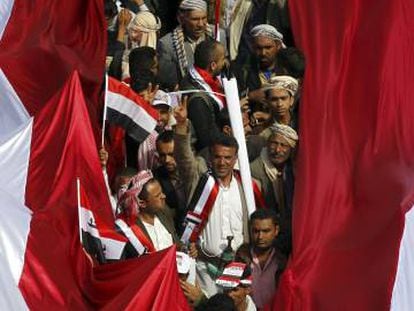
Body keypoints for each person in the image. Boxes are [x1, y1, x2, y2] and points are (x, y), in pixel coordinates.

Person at [173, 98, 253, 297]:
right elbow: (184, 160)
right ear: (210, 157)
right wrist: (182, 126)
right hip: (205, 268)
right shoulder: (201, 182)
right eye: (217, 157)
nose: (222, 162)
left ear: (235, 158)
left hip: (237, 266)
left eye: (228, 157)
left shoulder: (247, 186)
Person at [250, 123, 297, 255]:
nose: (277, 150)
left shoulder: (292, 170)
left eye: (283, 145)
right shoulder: (254, 170)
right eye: (274, 143)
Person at [157, 0, 226, 88]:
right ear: (182, 19)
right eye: (195, 19)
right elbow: (169, 82)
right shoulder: (168, 44)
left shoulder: (218, 35)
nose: (200, 24)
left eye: (204, 18)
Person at [180, 40, 228, 152]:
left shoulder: (211, 79)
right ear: (213, 65)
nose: (225, 62)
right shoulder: (198, 100)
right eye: (223, 59)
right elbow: (206, 138)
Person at [237, 209, 287, 309]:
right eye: (256, 231)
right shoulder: (242, 256)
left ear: (276, 230)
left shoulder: (284, 259)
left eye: (266, 231)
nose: (260, 236)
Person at [235, 24, 286, 104]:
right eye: (259, 48)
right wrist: (249, 96)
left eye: (268, 47)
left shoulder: (287, 69)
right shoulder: (243, 70)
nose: (263, 53)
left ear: (278, 46)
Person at [152, 130, 187, 231]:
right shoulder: (155, 179)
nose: (167, 160)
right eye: (162, 155)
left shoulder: (194, 172)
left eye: (171, 154)